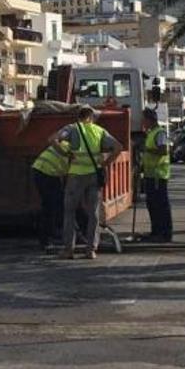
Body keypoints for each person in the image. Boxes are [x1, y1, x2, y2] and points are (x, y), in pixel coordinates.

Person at [51, 106, 123, 260]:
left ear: (79, 117)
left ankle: (69, 250)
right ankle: (91, 250)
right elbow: (118, 147)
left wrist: (64, 152)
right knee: (93, 214)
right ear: (91, 117)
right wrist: (106, 163)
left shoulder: (71, 129)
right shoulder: (99, 131)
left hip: (76, 176)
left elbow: (52, 139)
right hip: (93, 177)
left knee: (70, 212)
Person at [31, 140, 71, 250]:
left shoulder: (68, 144)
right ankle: (45, 240)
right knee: (50, 206)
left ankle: (53, 233)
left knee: (55, 203)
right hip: (45, 173)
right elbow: (70, 176)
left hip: (45, 171)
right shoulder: (77, 151)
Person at [141, 108, 173, 243]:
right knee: (152, 205)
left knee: (160, 205)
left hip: (158, 175)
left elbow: (163, 151)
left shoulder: (159, 133)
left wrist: (146, 149)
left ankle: (164, 233)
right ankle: (156, 231)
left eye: (144, 120)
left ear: (149, 120)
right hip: (151, 174)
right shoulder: (151, 133)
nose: (143, 122)